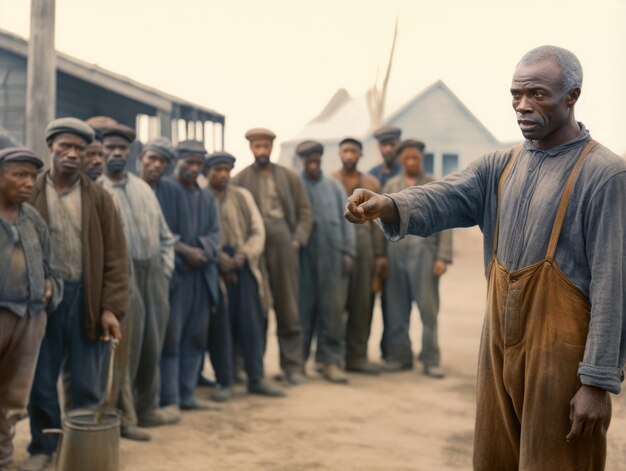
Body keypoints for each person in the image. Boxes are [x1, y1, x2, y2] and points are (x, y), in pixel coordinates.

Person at [346, 45, 626, 470]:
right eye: (516, 94)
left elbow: (613, 287)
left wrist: (596, 382)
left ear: (572, 96)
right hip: (497, 345)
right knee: (495, 459)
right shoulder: (501, 165)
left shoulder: (605, 174)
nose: (522, 106)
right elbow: (443, 195)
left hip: (563, 362)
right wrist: (386, 203)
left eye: (537, 94)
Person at [22, 118, 128, 471]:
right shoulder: (30, 192)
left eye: (79, 149)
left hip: (87, 299)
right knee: (41, 379)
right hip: (42, 302)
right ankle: (44, 447)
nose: (72, 153)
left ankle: (82, 451)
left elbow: (116, 256)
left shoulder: (98, 197)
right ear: (50, 145)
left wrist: (110, 308)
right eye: (64, 146)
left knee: (86, 382)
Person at [98, 124, 178, 431]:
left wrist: (164, 273)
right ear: (102, 152)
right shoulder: (99, 190)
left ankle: (148, 409)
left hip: (153, 274)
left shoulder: (143, 188)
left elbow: (166, 237)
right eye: (110, 149)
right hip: (123, 276)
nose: (116, 154)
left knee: (151, 344)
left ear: (130, 153)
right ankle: (123, 416)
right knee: (124, 348)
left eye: (122, 149)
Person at [232, 128, 312, 385]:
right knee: (255, 305)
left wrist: (297, 239)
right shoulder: (240, 179)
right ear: (251, 148)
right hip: (254, 244)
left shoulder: (288, 177)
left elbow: (304, 212)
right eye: (257, 147)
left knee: (288, 305)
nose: (262, 151)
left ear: (272, 148)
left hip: (283, 241)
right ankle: (250, 367)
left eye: (266, 146)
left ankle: (292, 366)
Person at [0, 148, 62, 471]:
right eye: (18, 175)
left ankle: (3, 460)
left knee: (11, 401)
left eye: (31, 177)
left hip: (29, 319)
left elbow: (52, 267)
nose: (28, 183)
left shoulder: (32, 220)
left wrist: (50, 286)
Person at [206, 151, 285, 398]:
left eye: (226, 170)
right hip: (216, 270)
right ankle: (225, 381)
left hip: (244, 267)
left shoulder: (242, 196)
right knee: (221, 328)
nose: (222, 175)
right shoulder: (203, 199)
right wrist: (218, 257)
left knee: (251, 325)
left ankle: (256, 378)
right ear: (208, 172)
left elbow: (257, 231)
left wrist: (243, 256)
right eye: (217, 170)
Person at [382, 139, 452, 377]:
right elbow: (381, 222)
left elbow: (447, 220)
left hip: (425, 254)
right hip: (396, 253)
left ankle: (431, 359)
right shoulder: (393, 184)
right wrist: (382, 258)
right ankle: (400, 357)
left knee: (428, 310)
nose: (411, 162)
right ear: (402, 161)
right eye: (407, 158)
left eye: (416, 158)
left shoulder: (434, 184)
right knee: (396, 309)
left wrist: (442, 256)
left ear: (421, 159)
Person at [158, 140, 219, 411]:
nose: (193, 168)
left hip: (201, 276)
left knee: (196, 337)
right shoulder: (166, 189)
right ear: (177, 161)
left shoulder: (206, 196)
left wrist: (203, 251)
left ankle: (188, 395)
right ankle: (170, 398)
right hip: (177, 276)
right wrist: (185, 251)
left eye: (198, 164)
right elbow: (163, 231)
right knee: (172, 338)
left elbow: (216, 233)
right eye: (188, 163)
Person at [297, 141, 355, 383]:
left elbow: (347, 222)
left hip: (333, 257)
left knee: (332, 311)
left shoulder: (334, 187)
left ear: (321, 160)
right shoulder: (295, 185)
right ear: (302, 162)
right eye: (308, 161)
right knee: (302, 311)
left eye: (316, 161)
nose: (313, 165)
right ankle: (296, 363)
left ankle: (329, 361)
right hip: (303, 259)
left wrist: (349, 253)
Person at [332, 138, 385, 374]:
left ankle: (357, 357)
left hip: (365, 249)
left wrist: (380, 255)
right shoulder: (331, 182)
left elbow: (380, 223)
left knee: (363, 303)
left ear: (360, 154)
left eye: (353, 151)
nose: (349, 155)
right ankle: (332, 357)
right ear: (340, 153)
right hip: (338, 248)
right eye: (345, 151)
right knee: (335, 303)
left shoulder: (371, 182)